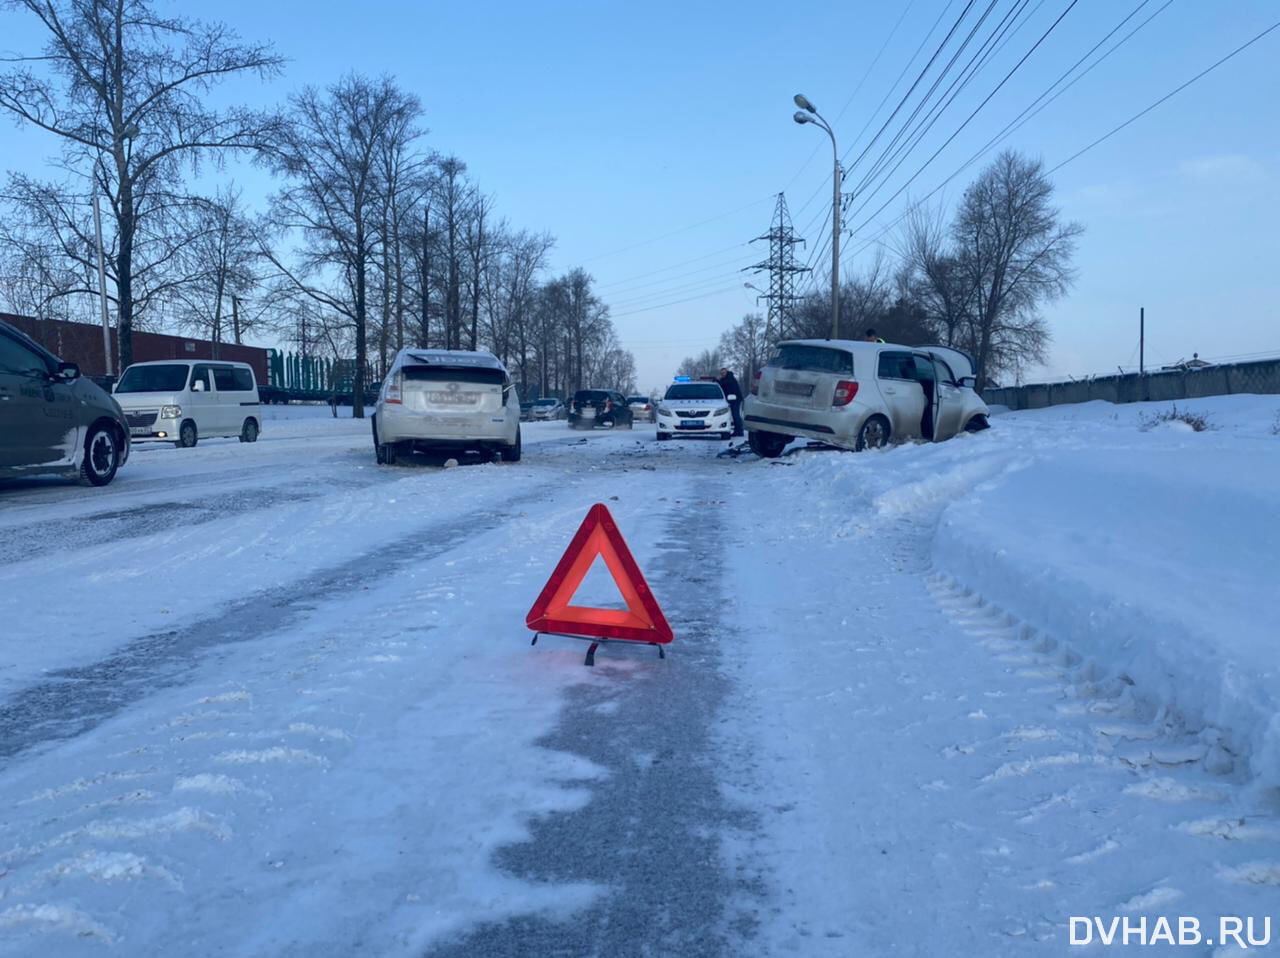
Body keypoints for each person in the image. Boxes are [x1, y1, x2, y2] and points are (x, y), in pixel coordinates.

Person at [717, 366, 744, 437]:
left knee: (736, 415)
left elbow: (724, 384)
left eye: (723, 373)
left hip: (735, 400)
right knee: (734, 415)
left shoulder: (730, 378)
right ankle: (737, 430)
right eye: (721, 373)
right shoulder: (725, 379)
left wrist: (718, 381)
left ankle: (739, 431)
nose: (722, 374)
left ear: (726, 372)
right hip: (731, 399)